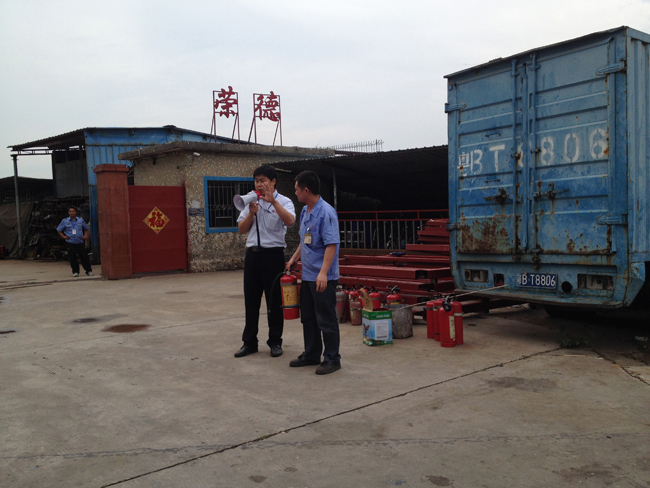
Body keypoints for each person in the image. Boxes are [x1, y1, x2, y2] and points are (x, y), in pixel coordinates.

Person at [234, 165, 296, 358]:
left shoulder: (284, 201)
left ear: (273, 181)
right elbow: (241, 229)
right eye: (256, 181)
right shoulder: (251, 200)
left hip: (273, 255)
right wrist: (251, 213)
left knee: (274, 301)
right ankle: (249, 342)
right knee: (251, 301)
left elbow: (290, 221)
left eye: (263, 180)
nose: (259, 184)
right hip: (253, 255)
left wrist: (273, 202)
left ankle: (275, 341)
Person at [286, 171, 341, 375]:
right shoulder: (305, 211)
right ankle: (311, 354)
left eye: (296, 189)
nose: (295, 193)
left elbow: (331, 244)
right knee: (308, 318)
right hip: (308, 276)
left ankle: (332, 358)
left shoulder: (326, 213)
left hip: (322, 277)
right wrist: (294, 258)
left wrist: (323, 273)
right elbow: (305, 239)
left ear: (306, 190)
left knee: (326, 319)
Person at [56, 207, 93, 277]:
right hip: (70, 242)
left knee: (84, 257)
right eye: (70, 211)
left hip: (80, 241)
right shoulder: (65, 221)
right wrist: (63, 236)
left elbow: (86, 228)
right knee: (72, 257)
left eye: (73, 211)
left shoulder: (80, 220)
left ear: (75, 212)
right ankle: (75, 271)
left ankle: (88, 271)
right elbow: (58, 229)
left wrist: (85, 236)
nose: (71, 213)